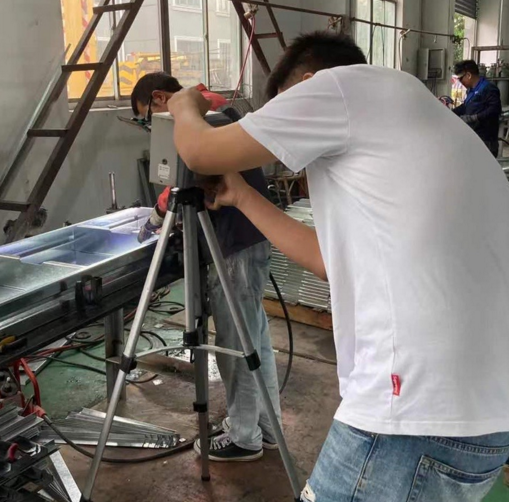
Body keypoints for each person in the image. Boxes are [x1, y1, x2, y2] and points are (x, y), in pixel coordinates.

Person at [164, 32, 509, 501]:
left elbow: (200, 150)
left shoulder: (343, 87)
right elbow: (330, 262)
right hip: (477, 421)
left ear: (309, 83)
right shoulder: (404, 113)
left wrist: (183, 106)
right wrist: (242, 197)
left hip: (415, 414)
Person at [131, 72, 282, 462]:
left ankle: (244, 436)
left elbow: (189, 173)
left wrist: (159, 212)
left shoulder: (199, 116)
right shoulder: (212, 104)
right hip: (248, 236)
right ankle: (266, 427)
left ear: (160, 98)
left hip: (234, 243)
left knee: (236, 345)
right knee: (254, 339)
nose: (150, 129)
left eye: (147, 119)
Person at [453, 59, 502, 157]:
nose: (460, 82)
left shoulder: (487, 88)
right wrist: (450, 112)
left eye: (461, 79)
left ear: (468, 75)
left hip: (486, 141)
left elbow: (495, 109)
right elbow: (466, 106)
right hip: (474, 137)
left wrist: (475, 117)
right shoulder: (471, 90)